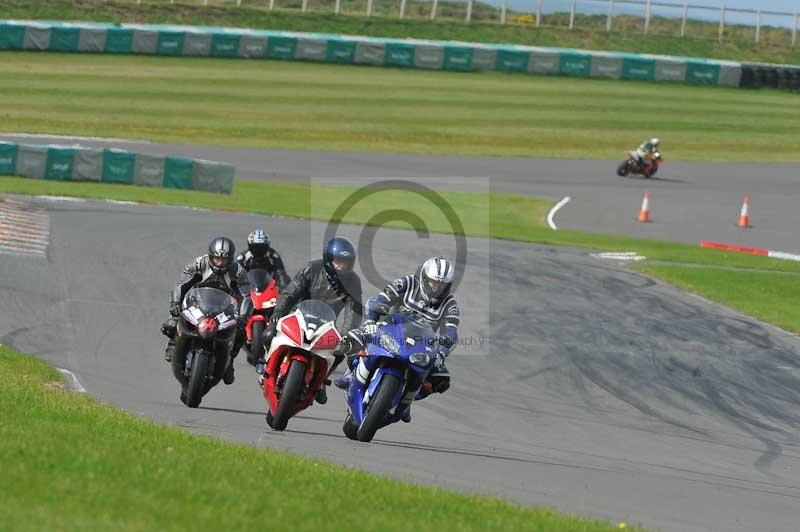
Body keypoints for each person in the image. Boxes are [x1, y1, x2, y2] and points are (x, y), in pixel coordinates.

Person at [333, 256, 460, 423]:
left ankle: (407, 402)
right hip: (390, 329)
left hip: (420, 344)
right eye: (432, 282)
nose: (436, 287)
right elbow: (380, 299)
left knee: (441, 378)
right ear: (423, 277)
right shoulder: (407, 283)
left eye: (441, 284)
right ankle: (352, 372)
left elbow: (451, 332)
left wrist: (441, 352)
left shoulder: (450, 304)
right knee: (352, 338)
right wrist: (371, 320)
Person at [261, 236, 362, 405]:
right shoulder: (312, 268)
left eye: (346, 262)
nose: (342, 266)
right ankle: (265, 365)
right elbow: (290, 292)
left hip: (327, 324)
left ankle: (321, 381)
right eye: (338, 262)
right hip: (298, 316)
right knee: (270, 332)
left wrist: (348, 335)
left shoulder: (353, 282)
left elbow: (354, 311)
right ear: (328, 260)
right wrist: (279, 312)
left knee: (339, 350)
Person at [160, 236, 253, 385]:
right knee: (172, 322)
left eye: (224, 260)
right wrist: (175, 304)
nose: (220, 263)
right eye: (217, 259)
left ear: (230, 259)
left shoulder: (239, 272)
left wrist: (243, 316)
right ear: (211, 256)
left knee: (240, 331)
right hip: (198, 303)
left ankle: (229, 361)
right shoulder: (198, 264)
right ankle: (173, 343)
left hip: (223, 308)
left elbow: (247, 296)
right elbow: (181, 285)